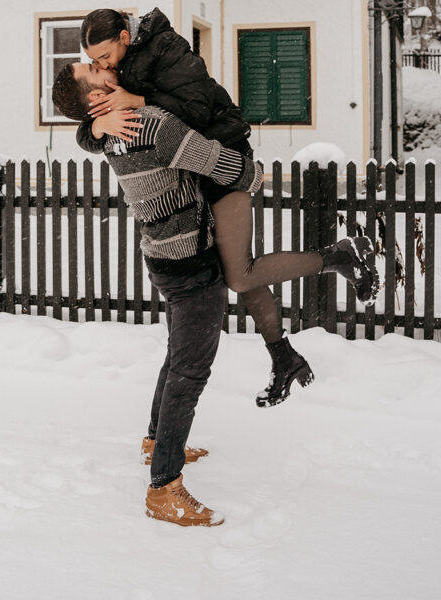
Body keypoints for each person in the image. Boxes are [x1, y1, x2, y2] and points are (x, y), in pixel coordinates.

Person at [52, 61, 379, 527]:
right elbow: (213, 161)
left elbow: (91, 131)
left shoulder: (108, 132)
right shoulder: (149, 124)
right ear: (98, 96)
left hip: (161, 254)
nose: (105, 65)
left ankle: (154, 442)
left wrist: (95, 122)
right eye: (95, 69)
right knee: (190, 370)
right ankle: (164, 488)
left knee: (176, 357)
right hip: (190, 262)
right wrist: (253, 175)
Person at [74, 7, 380, 406]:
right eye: (94, 61)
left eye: (103, 57)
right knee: (235, 268)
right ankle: (283, 358)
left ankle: (341, 255)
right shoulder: (117, 69)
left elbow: (198, 110)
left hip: (223, 159)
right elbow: (86, 122)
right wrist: (95, 127)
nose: (99, 65)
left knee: (239, 275)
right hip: (189, 169)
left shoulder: (169, 47)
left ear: (124, 38)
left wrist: (139, 98)